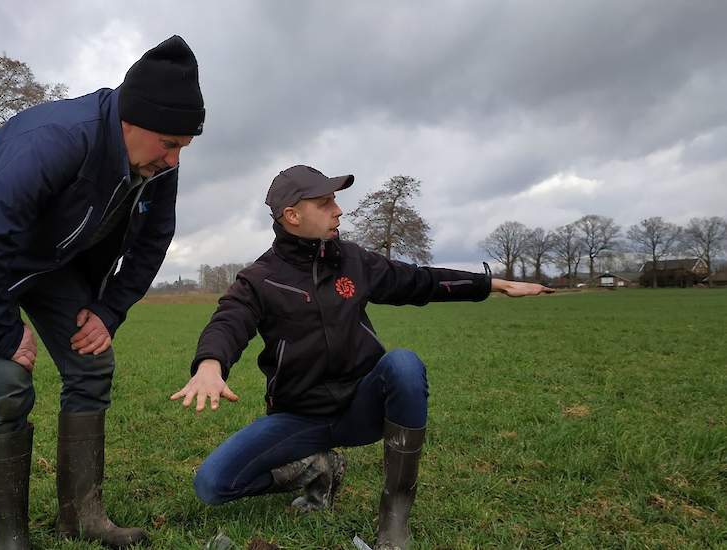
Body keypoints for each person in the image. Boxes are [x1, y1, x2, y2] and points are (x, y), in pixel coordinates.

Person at [170, 165, 553, 550]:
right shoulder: (260, 278)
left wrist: (492, 284)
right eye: (325, 202)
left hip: (361, 408)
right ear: (292, 215)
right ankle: (315, 467)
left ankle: (394, 515)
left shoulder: (354, 261)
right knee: (212, 484)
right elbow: (229, 321)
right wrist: (210, 365)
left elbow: (420, 281)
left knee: (403, 364)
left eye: (335, 200)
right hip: (300, 416)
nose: (338, 210)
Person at [0, 35, 204, 549]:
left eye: (183, 148)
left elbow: (152, 242)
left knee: (91, 363)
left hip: (49, 254)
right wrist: (4, 331)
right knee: (8, 379)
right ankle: (10, 537)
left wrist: (107, 309)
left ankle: (83, 517)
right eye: (169, 145)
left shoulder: (158, 164)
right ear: (130, 122)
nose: (174, 161)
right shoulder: (58, 137)